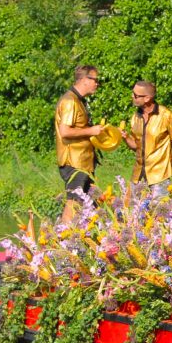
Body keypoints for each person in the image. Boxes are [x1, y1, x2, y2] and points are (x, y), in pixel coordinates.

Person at [55, 65, 104, 224]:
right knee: (74, 202)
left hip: (84, 161)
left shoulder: (79, 100)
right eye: (95, 80)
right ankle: (65, 241)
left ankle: (91, 240)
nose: (97, 83)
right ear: (83, 80)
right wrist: (92, 131)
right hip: (74, 162)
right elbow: (65, 132)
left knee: (91, 202)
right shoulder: (70, 101)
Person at [121, 80, 172, 199]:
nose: (132, 97)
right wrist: (126, 137)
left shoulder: (165, 115)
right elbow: (136, 146)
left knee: (158, 216)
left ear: (147, 98)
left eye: (135, 95)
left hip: (159, 177)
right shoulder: (135, 117)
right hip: (138, 177)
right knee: (133, 216)